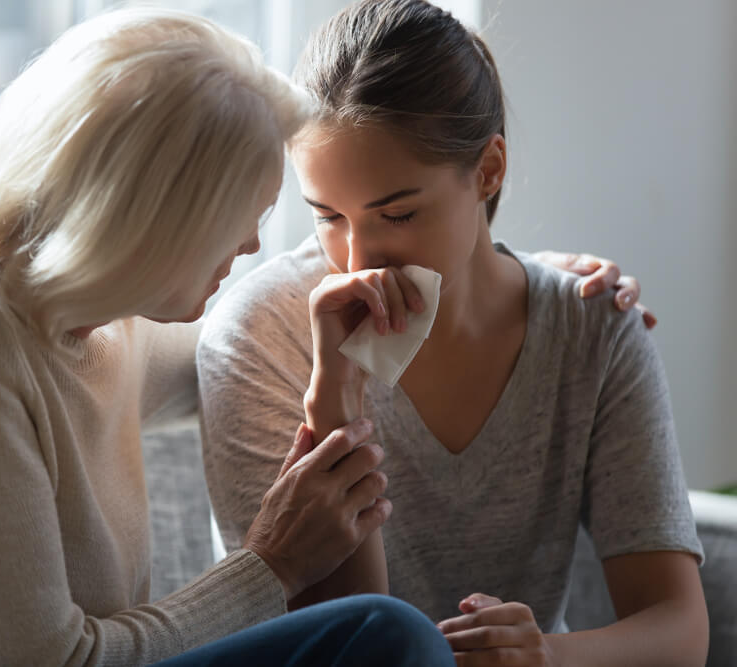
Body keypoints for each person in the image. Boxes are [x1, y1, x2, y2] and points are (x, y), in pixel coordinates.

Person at [0, 8, 457, 666]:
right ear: (150, 219)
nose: (249, 245)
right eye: (239, 217)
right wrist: (271, 563)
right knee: (385, 634)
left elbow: (252, 330)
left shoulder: (100, 321)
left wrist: (545, 276)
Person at [198, 1, 708, 666]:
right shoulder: (262, 335)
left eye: (399, 213)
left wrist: (545, 655)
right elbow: (340, 644)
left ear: (489, 169)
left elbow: (678, 628)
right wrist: (336, 402)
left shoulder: (593, 327)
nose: (357, 259)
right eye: (327, 216)